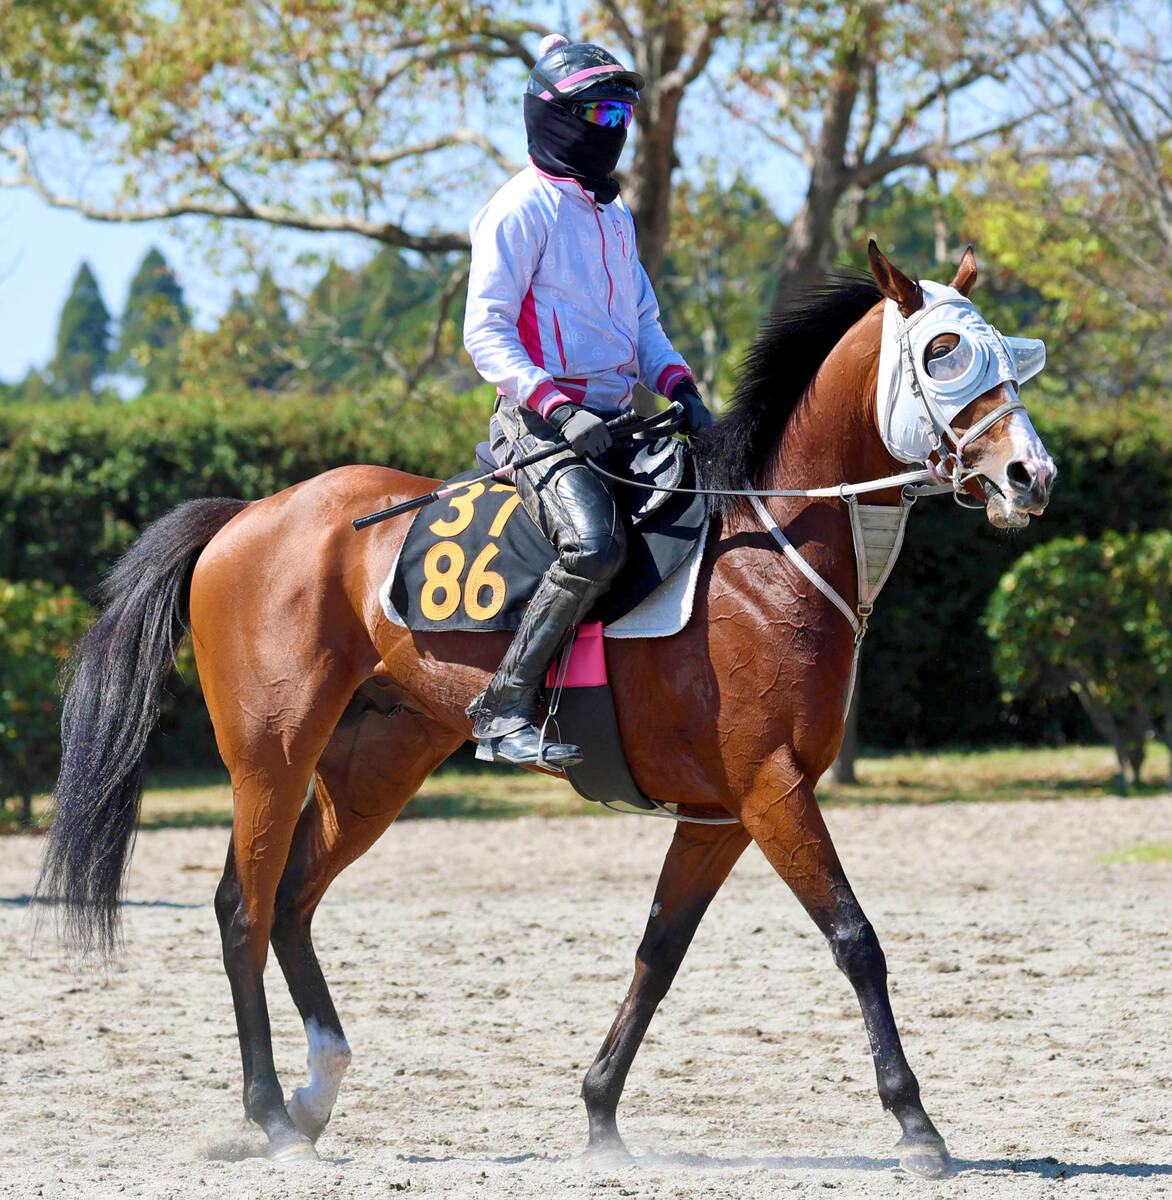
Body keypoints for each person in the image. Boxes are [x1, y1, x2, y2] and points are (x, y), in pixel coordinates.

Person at [462, 34, 714, 769]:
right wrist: (558, 408)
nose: (612, 126)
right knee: (594, 545)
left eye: (621, 111)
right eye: (597, 110)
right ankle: (504, 706)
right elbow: (485, 332)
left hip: (614, 425)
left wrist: (681, 388)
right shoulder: (518, 208)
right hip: (537, 428)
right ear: (551, 115)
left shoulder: (613, 215)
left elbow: (642, 327)